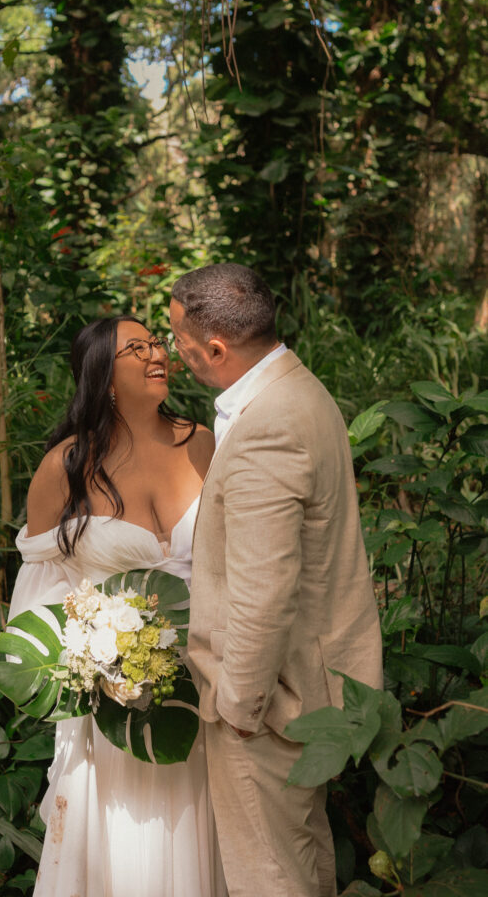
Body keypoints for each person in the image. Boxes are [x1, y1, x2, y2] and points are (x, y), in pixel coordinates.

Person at [169, 264, 383, 897]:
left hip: (269, 699)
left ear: (217, 348)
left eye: (179, 340)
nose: (174, 353)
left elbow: (266, 586)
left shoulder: (268, 426)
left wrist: (238, 706)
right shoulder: (298, 388)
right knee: (301, 854)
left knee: (268, 874)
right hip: (311, 686)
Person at [8, 315, 227, 897]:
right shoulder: (66, 467)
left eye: (156, 341)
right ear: (104, 377)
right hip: (110, 704)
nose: (157, 352)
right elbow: (36, 597)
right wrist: (90, 654)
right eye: (137, 348)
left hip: (203, 691)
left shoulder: (202, 441)